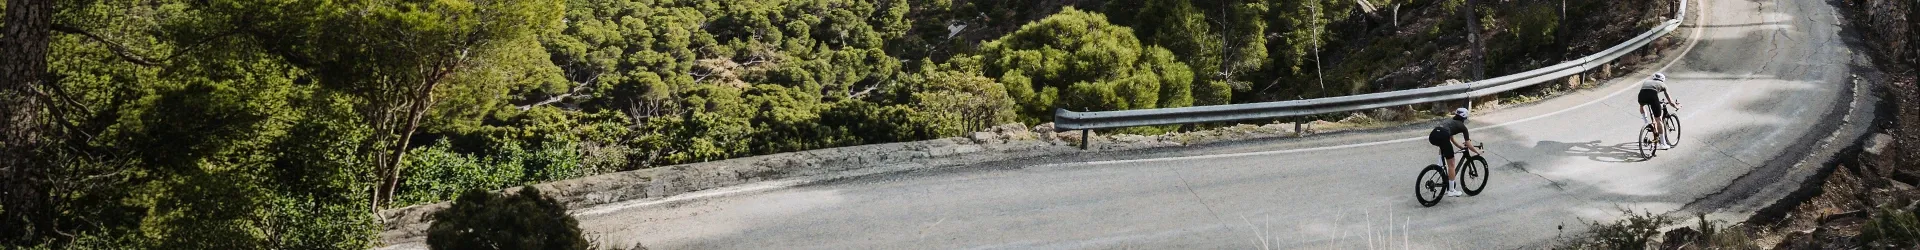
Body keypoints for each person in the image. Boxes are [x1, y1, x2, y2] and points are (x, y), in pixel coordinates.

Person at [1427, 108, 1480, 197]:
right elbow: (1468, 143)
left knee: (1443, 144)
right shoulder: (1463, 127)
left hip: (1433, 135)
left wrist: (1459, 147)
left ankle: (1439, 164)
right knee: (1451, 164)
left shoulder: (1450, 121)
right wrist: (1477, 152)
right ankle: (1451, 190)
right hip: (1443, 137)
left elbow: (1451, 138)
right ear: (1464, 118)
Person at [1638, 73, 1680, 149]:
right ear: (1662, 80)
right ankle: (1663, 144)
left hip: (1641, 96)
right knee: (1659, 120)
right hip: (1652, 97)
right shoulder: (1663, 85)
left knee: (1642, 105)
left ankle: (1646, 122)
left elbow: (1647, 92)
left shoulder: (1647, 82)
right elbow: (1670, 101)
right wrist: (1676, 106)